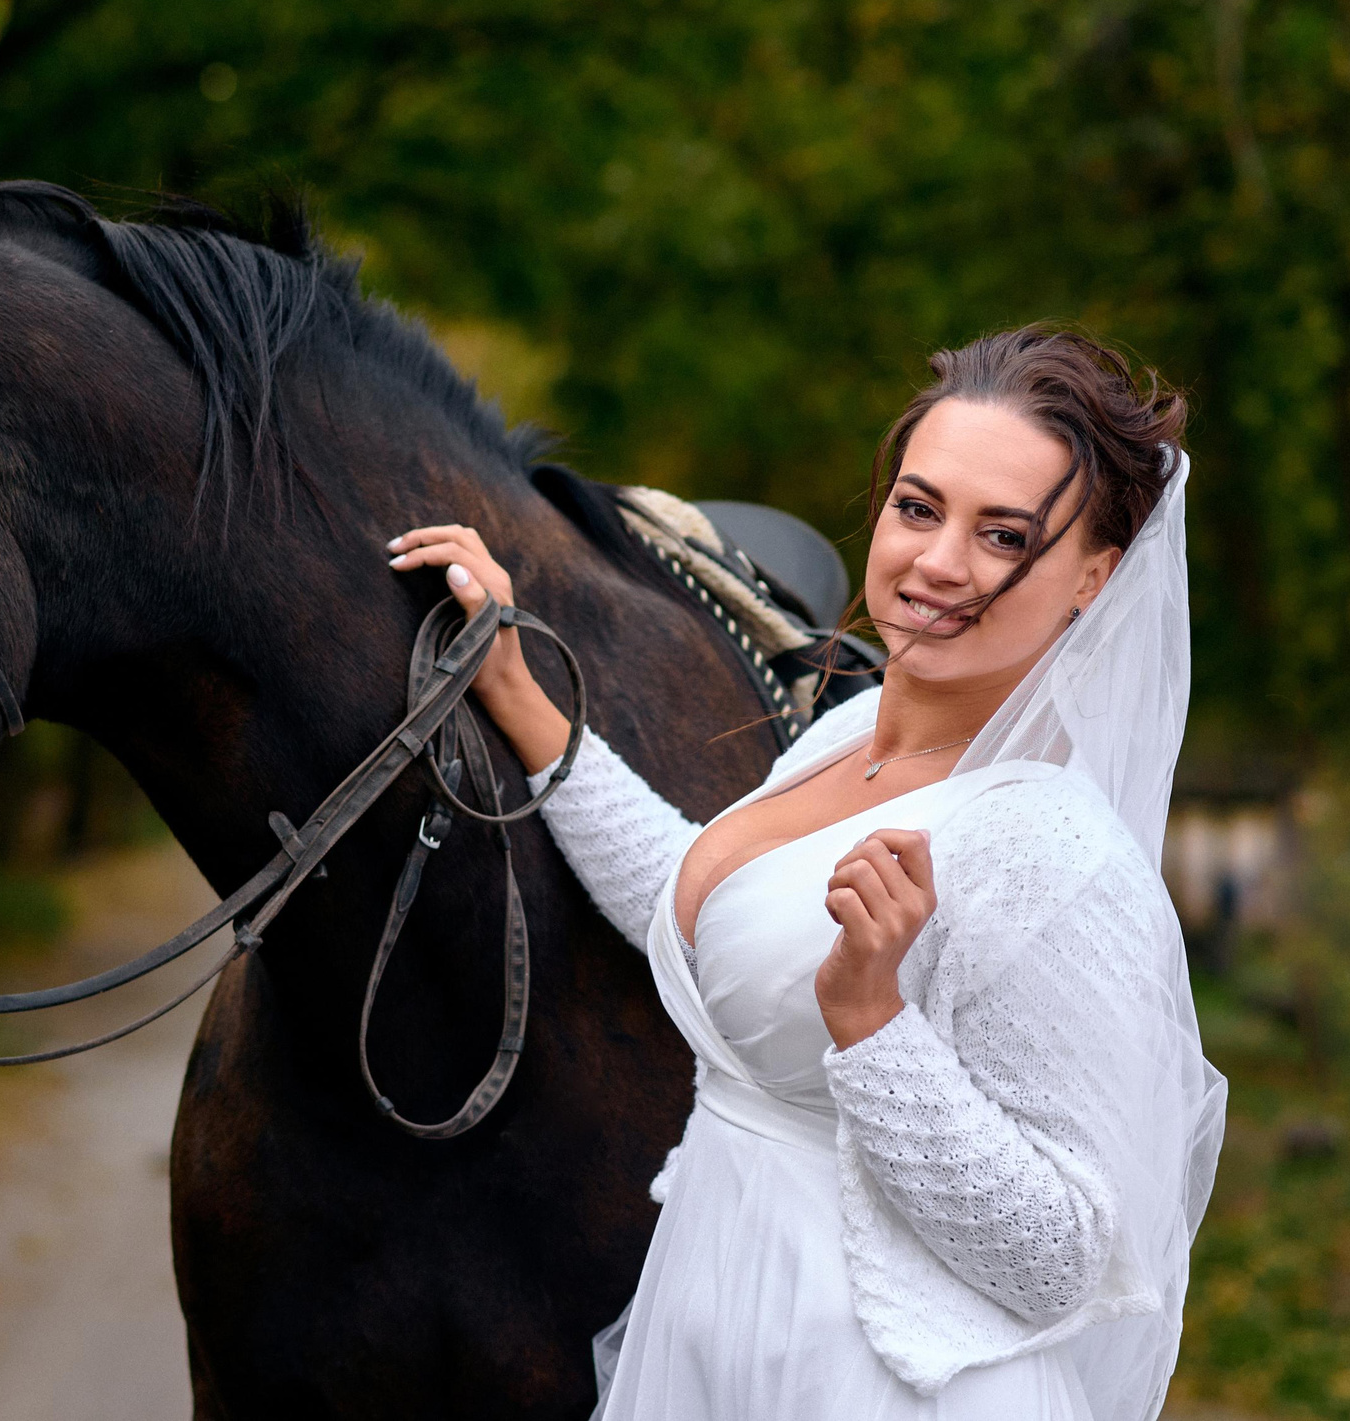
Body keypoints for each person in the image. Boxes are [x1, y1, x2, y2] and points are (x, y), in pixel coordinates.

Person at [389, 325, 1225, 1420]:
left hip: (871, 1379)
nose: (936, 561)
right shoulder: (844, 734)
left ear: (1093, 579)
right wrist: (513, 686)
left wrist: (873, 1024)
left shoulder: (1053, 849)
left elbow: (1060, 1256)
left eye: (1004, 534)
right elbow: (697, 910)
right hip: (716, 1318)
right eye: (918, 507)